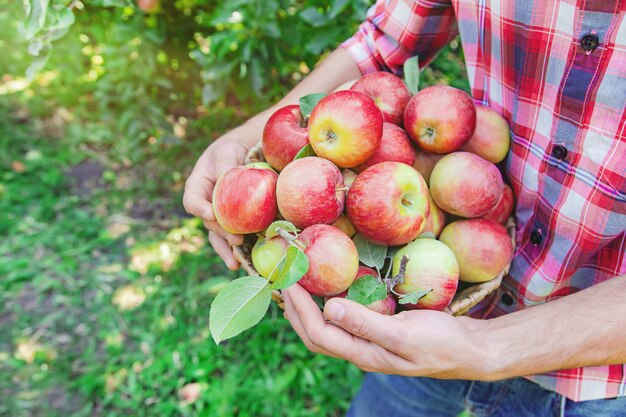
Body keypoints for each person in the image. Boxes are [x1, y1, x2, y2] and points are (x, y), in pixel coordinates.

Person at [183, 1, 626, 415]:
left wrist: (486, 348)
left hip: (597, 376)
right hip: (423, 312)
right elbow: (384, 41)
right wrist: (245, 139)